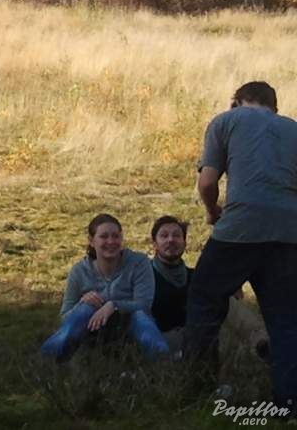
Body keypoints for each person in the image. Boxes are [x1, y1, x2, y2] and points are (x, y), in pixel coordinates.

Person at [184, 81, 297, 409]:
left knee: (204, 297)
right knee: (286, 318)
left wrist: (212, 211)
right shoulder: (293, 129)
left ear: (237, 101)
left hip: (240, 227)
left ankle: (198, 391)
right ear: (274, 107)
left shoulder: (225, 121)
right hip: (288, 232)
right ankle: (288, 401)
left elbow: (207, 182)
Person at [40, 213, 169, 363]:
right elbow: (65, 317)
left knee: (140, 315)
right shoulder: (79, 271)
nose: (111, 241)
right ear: (91, 241)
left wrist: (113, 305)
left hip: (129, 325)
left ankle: (163, 361)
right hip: (92, 330)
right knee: (85, 309)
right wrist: (82, 303)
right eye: (104, 236)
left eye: (116, 236)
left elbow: (144, 304)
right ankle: (47, 359)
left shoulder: (138, 263)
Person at [149, 214, 268, 359]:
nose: (171, 240)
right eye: (164, 236)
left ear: (184, 243)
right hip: (160, 340)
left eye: (176, 235)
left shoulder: (196, 276)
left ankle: (262, 342)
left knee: (225, 300)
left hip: (196, 335)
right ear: (154, 244)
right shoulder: (144, 275)